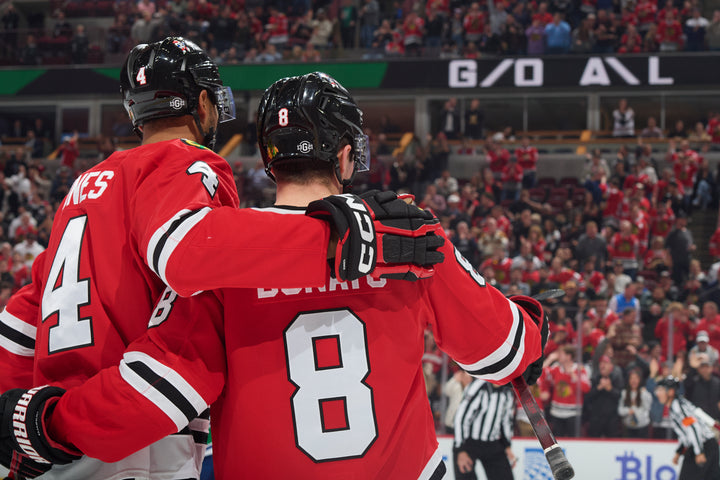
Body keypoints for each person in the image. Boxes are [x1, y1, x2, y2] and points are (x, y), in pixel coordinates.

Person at [0, 73, 546, 479]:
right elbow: (503, 350)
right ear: (348, 155)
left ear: (268, 160)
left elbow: (156, 392)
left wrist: (50, 423)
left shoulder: (223, 263)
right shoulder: (404, 231)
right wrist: (533, 319)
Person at [654, 376, 720, 480]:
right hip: (709, 445)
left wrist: (699, 452)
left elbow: (693, 427)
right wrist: (679, 452)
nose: (657, 393)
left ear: (671, 392)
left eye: (661, 390)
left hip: (703, 446)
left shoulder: (678, 407)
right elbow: (686, 434)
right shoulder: (678, 405)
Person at [453, 380, 517, 480]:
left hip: (492, 443)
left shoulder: (507, 391)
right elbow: (461, 418)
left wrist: (507, 446)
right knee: (465, 473)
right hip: (468, 442)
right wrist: (460, 449)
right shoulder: (478, 387)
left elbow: (506, 420)